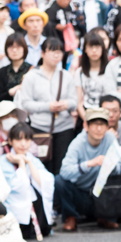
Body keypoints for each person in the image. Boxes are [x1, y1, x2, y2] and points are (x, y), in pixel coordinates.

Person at [55, 108, 121, 231]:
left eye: (102, 124)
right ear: (86, 125)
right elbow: (64, 171)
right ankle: (71, 217)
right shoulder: (78, 143)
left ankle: (107, 217)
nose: (99, 129)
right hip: (81, 193)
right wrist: (89, 164)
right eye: (95, 124)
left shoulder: (110, 139)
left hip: (101, 193)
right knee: (59, 181)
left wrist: (109, 165)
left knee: (117, 179)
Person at [16, 38, 76, 175]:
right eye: (53, 51)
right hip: (39, 129)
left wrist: (66, 104)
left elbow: (74, 101)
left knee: (62, 168)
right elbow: (25, 103)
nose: (57, 55)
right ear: (42, 53)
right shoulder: (31, 76)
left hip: (63, 129)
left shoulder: (66, 76)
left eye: (60, 52)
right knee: (41, 168)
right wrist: (47, 106)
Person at [1, 121, 55, 240]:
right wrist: (20, 164)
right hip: (13, 207)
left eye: (27, 139)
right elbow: (18, 188)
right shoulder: (3, 162)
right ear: (10, 141)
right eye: (19, 140)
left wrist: (28, 162)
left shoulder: (32, 159)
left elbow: (44, 182)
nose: (23, 144)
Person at [75, 29, 116, 112]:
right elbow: (78, 102)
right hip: (87, 112)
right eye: (90, 46)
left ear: (103, 48)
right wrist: (86, 120)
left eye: (97, 47)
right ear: (85, 49)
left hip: (106, 112)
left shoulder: (110, 69)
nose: (94, 50)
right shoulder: (80, 72)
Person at [0, 34, 31, 103]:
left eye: (18, 47)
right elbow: (0, 97)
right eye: (11, 47)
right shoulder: (2, 71)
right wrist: (11, 92)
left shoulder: (32, 70)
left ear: (24, 48)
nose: (14, 50)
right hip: (8, 110)